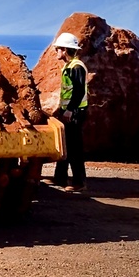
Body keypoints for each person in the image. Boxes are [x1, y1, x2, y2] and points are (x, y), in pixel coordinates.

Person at [49, 32, 89, 193]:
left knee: (74, 148)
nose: (56, 51)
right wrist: (61, 109)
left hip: (76, 113)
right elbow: (68, 91)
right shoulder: (69, 66)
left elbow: (79, 92)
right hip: (69, 111)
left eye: (58, 49)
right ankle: (60, 177)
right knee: (64, 144)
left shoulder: (77, 67)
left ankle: (79, 182)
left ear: (65, 50)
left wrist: (70, 111)